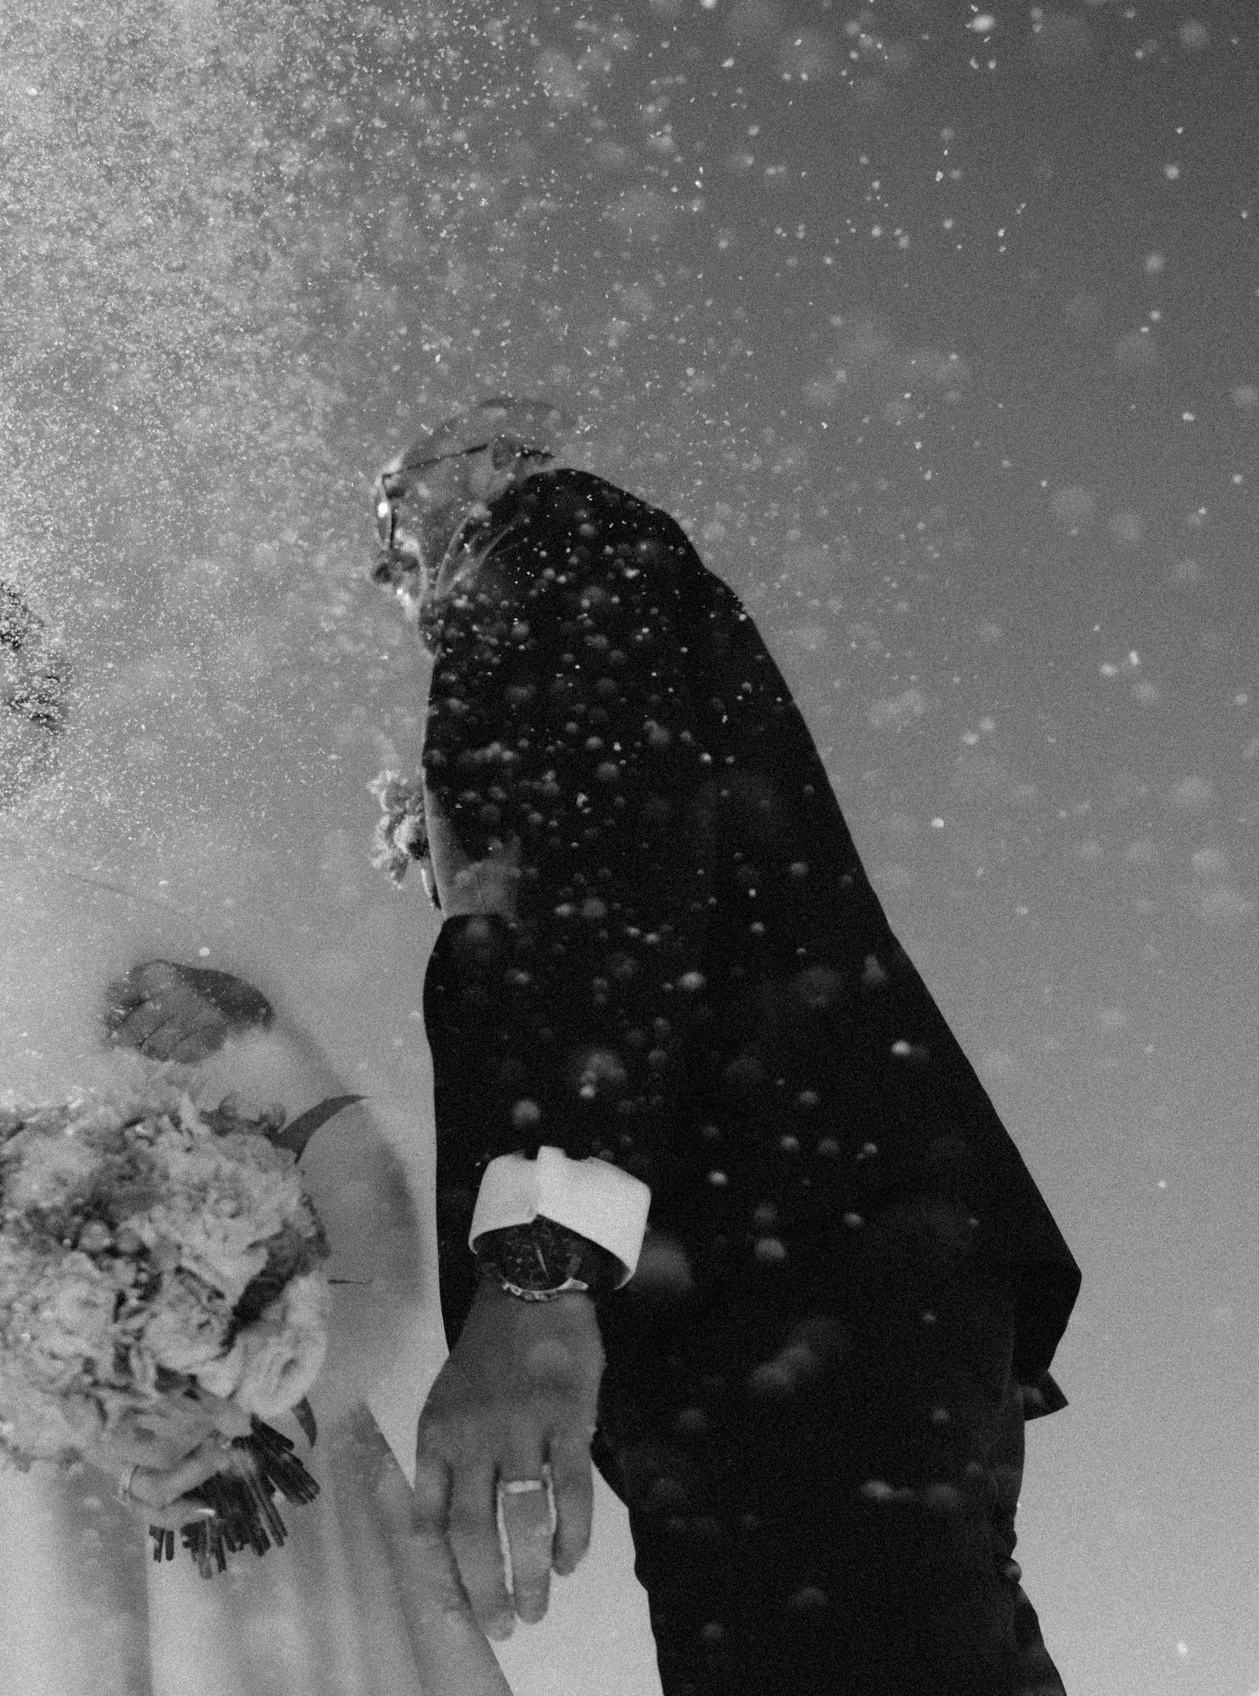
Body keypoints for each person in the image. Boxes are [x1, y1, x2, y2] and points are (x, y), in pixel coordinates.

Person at [374, 401, 1082, 1695]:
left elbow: (600, 861)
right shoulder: (592, 587)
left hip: (786, 1267)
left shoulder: (546, 535)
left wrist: (538, 1266)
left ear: (484, 471)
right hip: (810, 1274)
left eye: (400, 522)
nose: (399, 571)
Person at [0, 578, 509, 1695]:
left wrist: (255, 1401)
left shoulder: (98, 937)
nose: (46, 717)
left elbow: (337, 1160)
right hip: (7, 1484)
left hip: (118, 1459)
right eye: (10, 676)